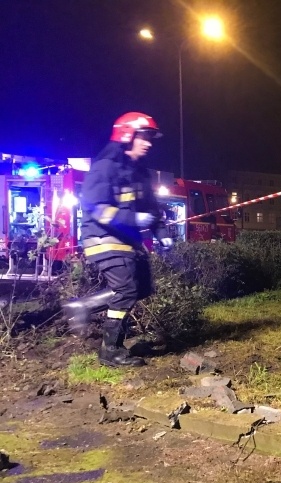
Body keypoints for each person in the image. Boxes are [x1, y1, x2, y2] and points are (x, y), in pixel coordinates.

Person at [62, 112, 173, 367]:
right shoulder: (105, 167)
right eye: (144, 137)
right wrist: (134, 219)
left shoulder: (141, 174)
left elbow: (153, 210)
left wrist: (163, 235)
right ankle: (110, 350)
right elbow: (94, 207)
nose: (148, 143)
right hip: (102, 238)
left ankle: (84, 307)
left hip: (126, 241)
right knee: (126, 290)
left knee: (143, 288)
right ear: (127, 135)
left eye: (149, 138)